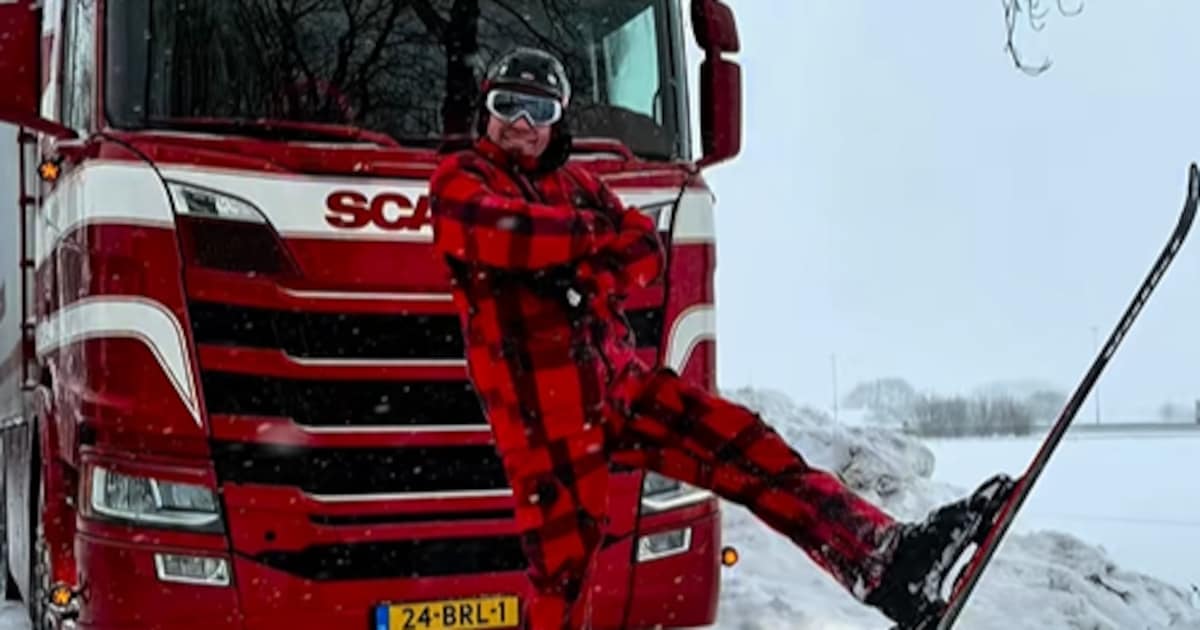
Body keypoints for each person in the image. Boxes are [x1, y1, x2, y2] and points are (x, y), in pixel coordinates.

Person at [428, 47, 1015, 630]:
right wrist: (589, 240)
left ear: (560, 119)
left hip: (622, 387)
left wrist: (583, 270)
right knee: (564, 575)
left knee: (751, 450)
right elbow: (503, 232)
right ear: (485, 109)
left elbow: (645, 248)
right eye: (508, 106)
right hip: (545, 421)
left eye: (539, 110)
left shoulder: (580, 182)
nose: (522, 125)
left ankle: (887, 563)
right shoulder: (459, 180)